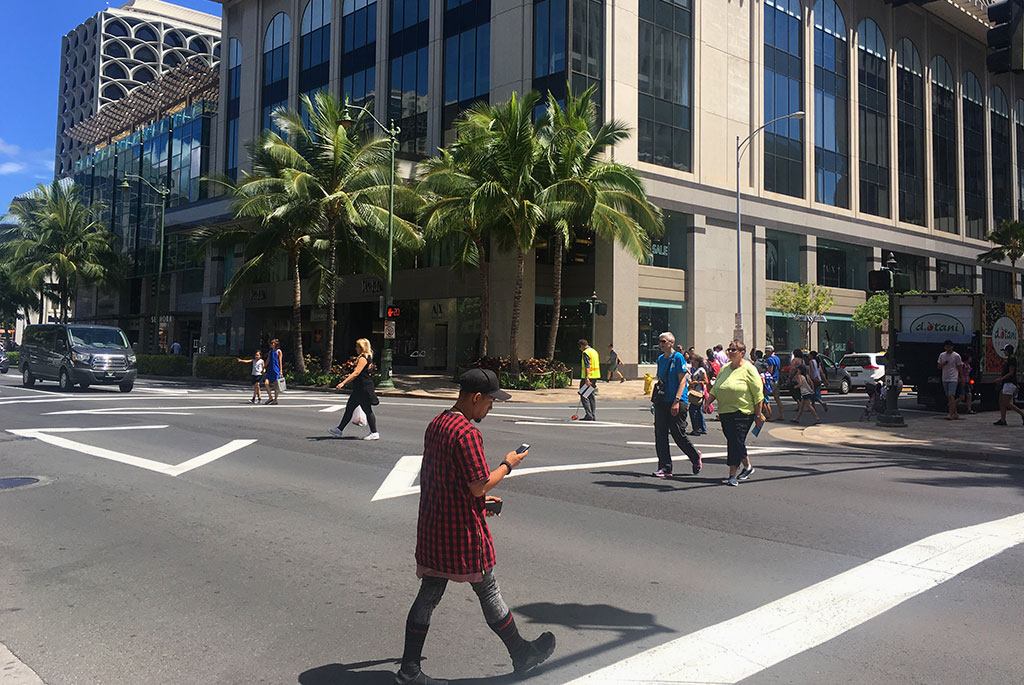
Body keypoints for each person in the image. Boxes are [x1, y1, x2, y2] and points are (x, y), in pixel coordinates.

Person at [394, 369, 556, 685]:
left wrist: (481, 499)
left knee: (428, 593)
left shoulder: (438, 423)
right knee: (488, 589)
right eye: (490, 402)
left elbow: (449, 479)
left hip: (433, 524)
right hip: (460, 532)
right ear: (476, 398)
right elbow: (479, 484)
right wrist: (509, 463)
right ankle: (522, 654)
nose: (491, 408)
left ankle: (409, 670)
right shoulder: (467, 433)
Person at [708, 340, 764, 486]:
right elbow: (716, 388)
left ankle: (732, 474)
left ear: (742, 353)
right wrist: (707, 402)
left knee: (735, 441)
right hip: (725, 411)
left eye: (734, 350)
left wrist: (758, 415)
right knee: (734, 440)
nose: (731, 352)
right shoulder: (725, 368)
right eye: (730, 349)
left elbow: (758, 394)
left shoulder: (749, 369)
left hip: (743, 412)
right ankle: (748, 466)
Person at [651, 332, 703, 478]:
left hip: (677, 400)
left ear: (671, 342)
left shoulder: (678, 357)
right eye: (660, 341)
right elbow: (660, 380)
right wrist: (655, 401)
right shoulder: (661, 359)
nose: (661, 344)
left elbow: (682, 381)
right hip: (662, 401)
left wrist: (677, 400)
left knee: (678, 433)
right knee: (660, 434)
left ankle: (695, 456)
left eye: (663, 341)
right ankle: (665, 467)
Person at [328, 338, 380, 440]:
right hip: (361, 387)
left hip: (362, 388)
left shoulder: (363, 358)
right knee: (350, 409)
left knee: (366, 410)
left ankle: (374, 432)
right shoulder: (368, 356)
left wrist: (343, 382)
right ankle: (339, 429)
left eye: (357, 346)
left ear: (362, 347)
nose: (355, 348)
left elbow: (356, 373)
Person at [993, 344, 1023, 426]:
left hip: (1010, 383)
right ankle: (1003, 419)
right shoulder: (1009, 359)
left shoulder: (1012, 360)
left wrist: (1001, 379)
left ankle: (1022, 413)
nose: (1004, 353)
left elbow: (1011, 373)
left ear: (1008, 351)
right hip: (1006, 383)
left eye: (1005, 351)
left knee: (1006, 403)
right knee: (1001, 401)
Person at [937, 340, 963, 420]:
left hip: (953, 377)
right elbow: (938, 366)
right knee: (949, 397)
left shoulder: (956, 356)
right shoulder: (942, 355)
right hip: (945, 377)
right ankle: (955, 413)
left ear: (952, 347)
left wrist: (961, 377)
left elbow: (959, 367)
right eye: (947, 347)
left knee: (951, 395)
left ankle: (950, 414)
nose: (948, 348)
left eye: (950, 347)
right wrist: (943, 364)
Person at [578, 339, 600, 421]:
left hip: (588, 378)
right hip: (595, 376)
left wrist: (586, 378)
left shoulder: (586, 353)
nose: (580, 349)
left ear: (582, 346)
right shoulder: (594, 351)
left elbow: (587, 366)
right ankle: (592, 415)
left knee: (583, 395)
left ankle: (589, 415)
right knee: (591, 395)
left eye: (580, 348)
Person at [687, 354, 709, 436]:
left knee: (693, 410)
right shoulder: (695, 369)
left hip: (699, 393)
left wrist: (697, 382)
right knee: (698, 410)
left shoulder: (701, 370)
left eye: (693, 360)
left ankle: (696, 428)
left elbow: (706, 381)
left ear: (697, 361)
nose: (692, 362)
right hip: (695, 392)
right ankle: (702, 428)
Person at [763, 345, 785, 421]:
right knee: (777, 398)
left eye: (766, 351)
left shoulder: (770, 360)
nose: (765, 353)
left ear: (770, 351)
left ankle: (769, 415)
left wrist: (763, 371)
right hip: (777, 379)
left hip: (771, 380)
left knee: (765, 398)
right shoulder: (777, 358)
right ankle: (781, 415)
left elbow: (770, 371)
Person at [265, 338, 283, 405]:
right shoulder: (270, 352)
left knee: (275, 386)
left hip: (276, 369)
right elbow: (268, 360)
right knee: (266, 383)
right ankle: (270, 397)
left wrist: (280, 370)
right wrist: (264, 367)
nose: (271, 344)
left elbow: (280, 361)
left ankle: (275, 399)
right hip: (270, 369)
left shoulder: (278, 351)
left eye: (272, 343)